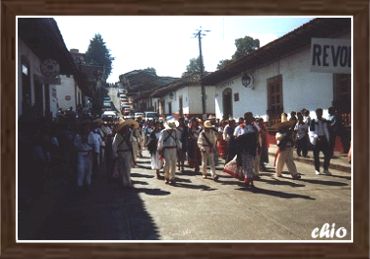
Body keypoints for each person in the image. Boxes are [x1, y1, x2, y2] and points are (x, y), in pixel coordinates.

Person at [274, 113, 301, 180]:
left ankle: (294, 174)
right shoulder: (279, 133)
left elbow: (292, 139)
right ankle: (278, 172)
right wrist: (285, 135)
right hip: (283, 147)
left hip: (289, 147)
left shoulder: (289, 132)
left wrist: (291, 139)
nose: (285, 127)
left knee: (290, 161)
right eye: (284, 126)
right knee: (280, 161)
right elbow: (278, 138)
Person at [112, 119, 137, 188]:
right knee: (122, 168)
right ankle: (124, 182)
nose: (126, 128)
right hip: (120, 153)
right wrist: (115, 154)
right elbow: (114, 145)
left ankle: (128, 182)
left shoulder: (129, 134)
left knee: (127, 168)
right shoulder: (117, 135)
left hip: (128, 152)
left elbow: (132, 143)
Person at [236, 112, 259, 186]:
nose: (248, 119)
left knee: (249, 164)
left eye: (250, 118)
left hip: (250, 148)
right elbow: (236, 135)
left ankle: (249, 180)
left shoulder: (254, 126)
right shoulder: (240, 127)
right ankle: (247, 178)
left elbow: (256, 135)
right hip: (242, 148)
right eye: (247, 118)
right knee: (244, 164)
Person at [158, 118, 182, 184]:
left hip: (174, 149)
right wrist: (160, 149)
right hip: (166, 149)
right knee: (167, 163)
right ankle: (166, 177)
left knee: (174, 163)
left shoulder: (175, 131)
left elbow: (177, 140)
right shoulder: (163, 132)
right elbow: (160, 141)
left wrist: (179, 147)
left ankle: (172, 177)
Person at [73, 120, 96, 191]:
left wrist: (88, 142)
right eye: (85, 127)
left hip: (89, 153)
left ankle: (88, 184)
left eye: (87, 127)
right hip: (81, 154)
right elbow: (75, 146)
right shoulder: (78, 136)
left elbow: (94, 143)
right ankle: (80, 185)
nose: (86, 129)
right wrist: (81, 142)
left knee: (89, 170)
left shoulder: (91, 134)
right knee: (81, 170)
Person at [309, 108, 331, 175]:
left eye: (320, 113)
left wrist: (328, 139)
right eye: (318, 113)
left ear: (322, 113)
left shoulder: (325, 121)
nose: (319, 114)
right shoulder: (313, 121)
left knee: (327, 154)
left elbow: (327, 130)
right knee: (316, 156)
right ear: (316, 113)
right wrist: (315, 137)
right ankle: (317, 169)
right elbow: (311, 131)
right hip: (316, 139)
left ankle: (325, 169)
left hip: (324, 138)